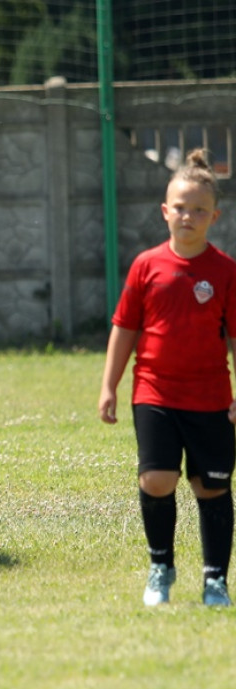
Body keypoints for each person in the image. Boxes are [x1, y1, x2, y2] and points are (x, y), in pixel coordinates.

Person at [99, 148, 236, 608]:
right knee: (157, 480)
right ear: (164, 211)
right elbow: (125, 328)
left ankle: (215, 580)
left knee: (211, 486)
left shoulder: (224, 271)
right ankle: (161, 567)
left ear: (214, 216)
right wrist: (109, 386)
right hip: (154, 390)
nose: (188, 216)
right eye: (180, 207)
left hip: (211, 397)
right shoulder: (146, 266)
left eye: (199, 210)